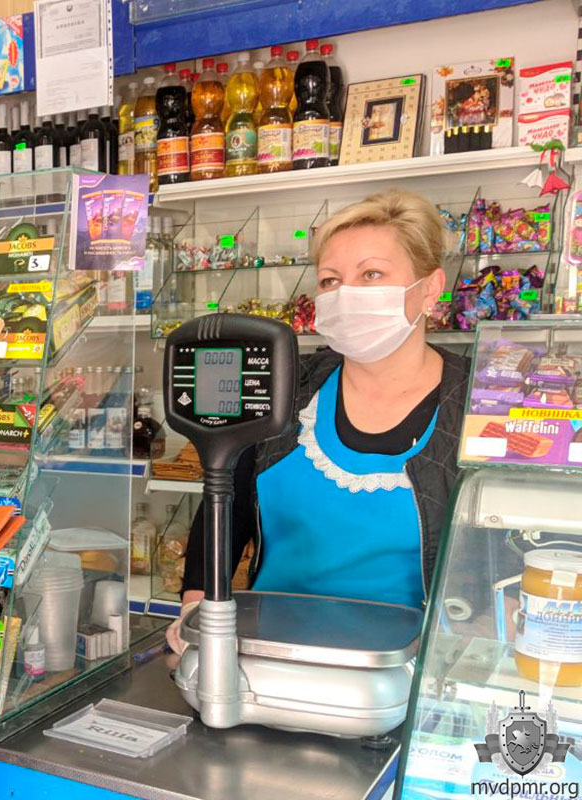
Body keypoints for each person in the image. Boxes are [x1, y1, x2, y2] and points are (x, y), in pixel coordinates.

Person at [167, 188, 470, 653]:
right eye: (330, 280)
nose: (346, 295)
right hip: (270, 655)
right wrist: (195, 608)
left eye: (371, 274)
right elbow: (225, 504)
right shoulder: (286, 388)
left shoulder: (476, 402)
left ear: (430, 288)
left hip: (411, 666)